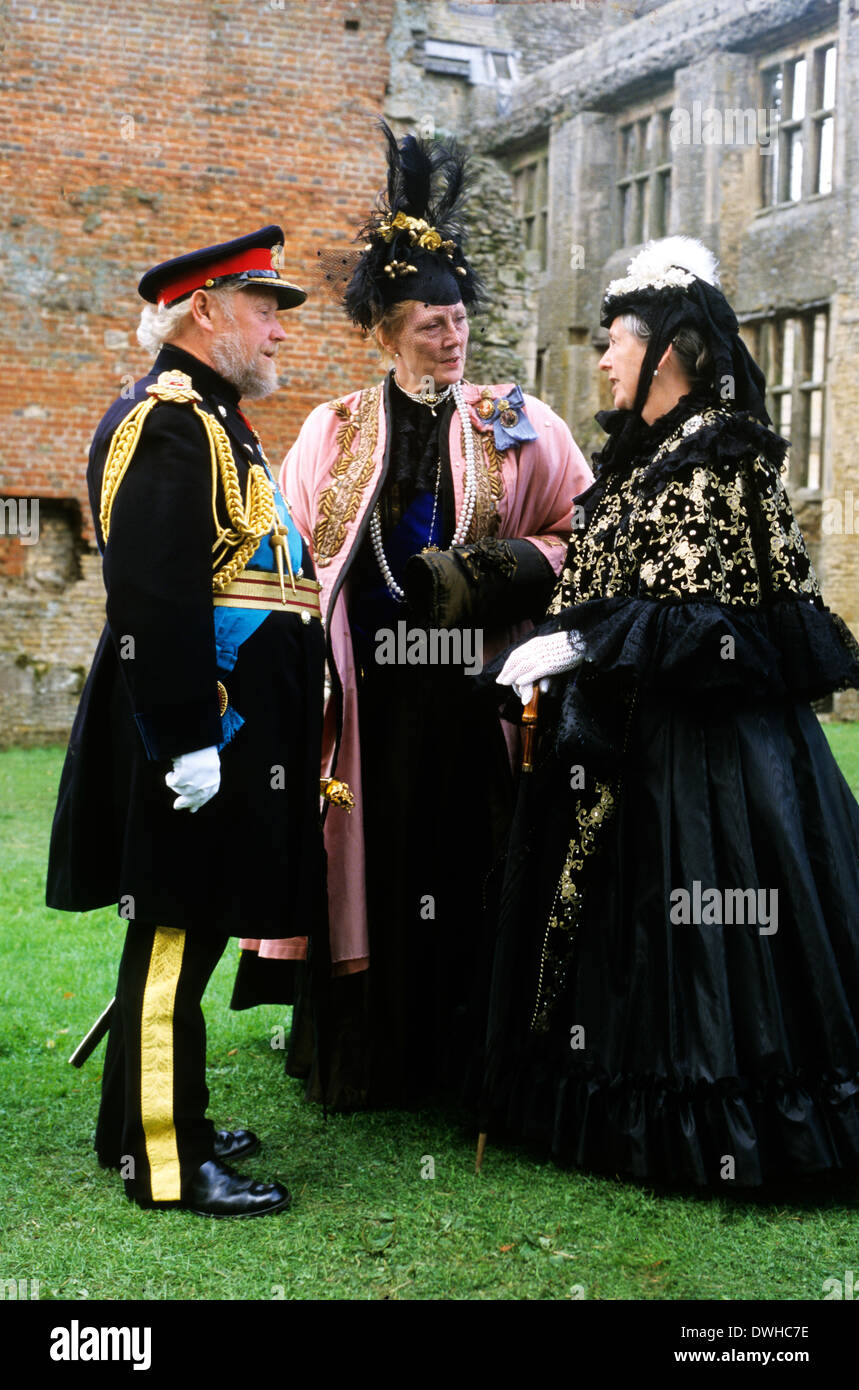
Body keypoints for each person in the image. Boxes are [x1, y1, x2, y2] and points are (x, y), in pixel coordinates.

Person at [479, 235, 859, 1188]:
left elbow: (715, 621)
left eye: (615, 340)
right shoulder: (645, 457)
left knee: (703, 936)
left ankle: (717, 1120)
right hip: (628, 740)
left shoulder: (716, 458)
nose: (601, 357)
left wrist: (584, 640)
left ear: (668, 355)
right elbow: (625, 586)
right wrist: (573, 636)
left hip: (709, 759)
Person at [232, 124, 592, 1109]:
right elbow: (293, 555)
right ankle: (372, 1059)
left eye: (459, 319)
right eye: (429, 325)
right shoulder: (334, 428)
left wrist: (496, 566)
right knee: (376, 873)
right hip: (370, 702)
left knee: (468, 866)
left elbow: (585, 529)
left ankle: (467, 1064)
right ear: (385, 334)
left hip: (476, 692)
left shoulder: (515, 419)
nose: (452, 336)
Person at [46, 227, 327, 1215]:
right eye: (266, 309)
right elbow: (154, 595)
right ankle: (162, 1160)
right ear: (204, 308)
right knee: (173, 937)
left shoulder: (215, 416)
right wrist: (186, 739)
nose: (280, 333)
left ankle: (141, 1119)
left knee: (189, 932)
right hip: (199, 737)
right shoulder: (168, 419)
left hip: (225, 733)